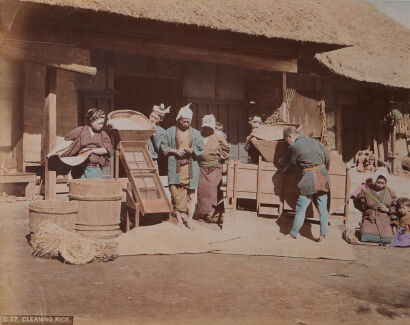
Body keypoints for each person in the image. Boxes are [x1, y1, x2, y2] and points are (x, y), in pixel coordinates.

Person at [277, 127, 330, 242]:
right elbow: (327, 157)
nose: (288, 143)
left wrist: (285, 171)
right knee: (323, 209)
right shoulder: (316, 142)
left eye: (287, 141)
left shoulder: (294, 147)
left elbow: (291, 165)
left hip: (309, 179)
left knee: (301, 208)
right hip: (323, 176)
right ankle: (323, 236)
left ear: (289, 137)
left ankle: (293, 234)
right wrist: (323, 171)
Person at [161, 103, 204, 229]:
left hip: (191, 167)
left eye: (189, 122)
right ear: (179, 119)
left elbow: (201, 147)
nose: (186, 124)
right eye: (184, 121)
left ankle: (189, 220)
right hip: (175, 167)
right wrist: (175, 151)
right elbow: (163, 146)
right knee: (176, 194)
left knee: (191, 195)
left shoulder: (196, 133)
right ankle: (179, 220)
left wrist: (192, 150)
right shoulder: (169, 132)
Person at [61, 108, 114, 179]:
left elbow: (108, 149)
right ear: (91, 121)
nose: (101, 125)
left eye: (102, 123)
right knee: (79, 188)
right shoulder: (79, 131)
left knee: (94, 189)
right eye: (99, 123)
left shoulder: (103, 134)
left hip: (94, 169)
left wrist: (91, 150)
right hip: (78, 168)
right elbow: (67, 143)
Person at [197, 115, 230, 223]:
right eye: (205, 127)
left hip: (214, 168)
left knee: (212, 191)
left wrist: (221, 157)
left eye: (209, 127)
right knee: (202, 191)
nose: (207, 129)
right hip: (202, 167)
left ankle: (213, 214)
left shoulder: (218, 135)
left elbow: (227, 148)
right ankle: (204, 213)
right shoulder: (199, 135)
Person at [353, 169, 397, 244]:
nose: (380, 185)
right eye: (378, 182)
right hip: (370, 219)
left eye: (382, 183)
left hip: (384, 220)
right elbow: (357, 203)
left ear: (386, 183)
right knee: (366, 237)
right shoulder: (365, 190)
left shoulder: (390, 191)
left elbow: (396, 205)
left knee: (388, 239)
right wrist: (366, 210)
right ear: (374, 180)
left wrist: (387, 209)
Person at [147, 103, 170, 169]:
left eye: (156, 118)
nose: (152, 119)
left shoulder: (162, 131)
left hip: (152, 158)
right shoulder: (144, 125)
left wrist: (154, 133)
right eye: (151, 116)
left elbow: (158, 146)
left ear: (161, 119)